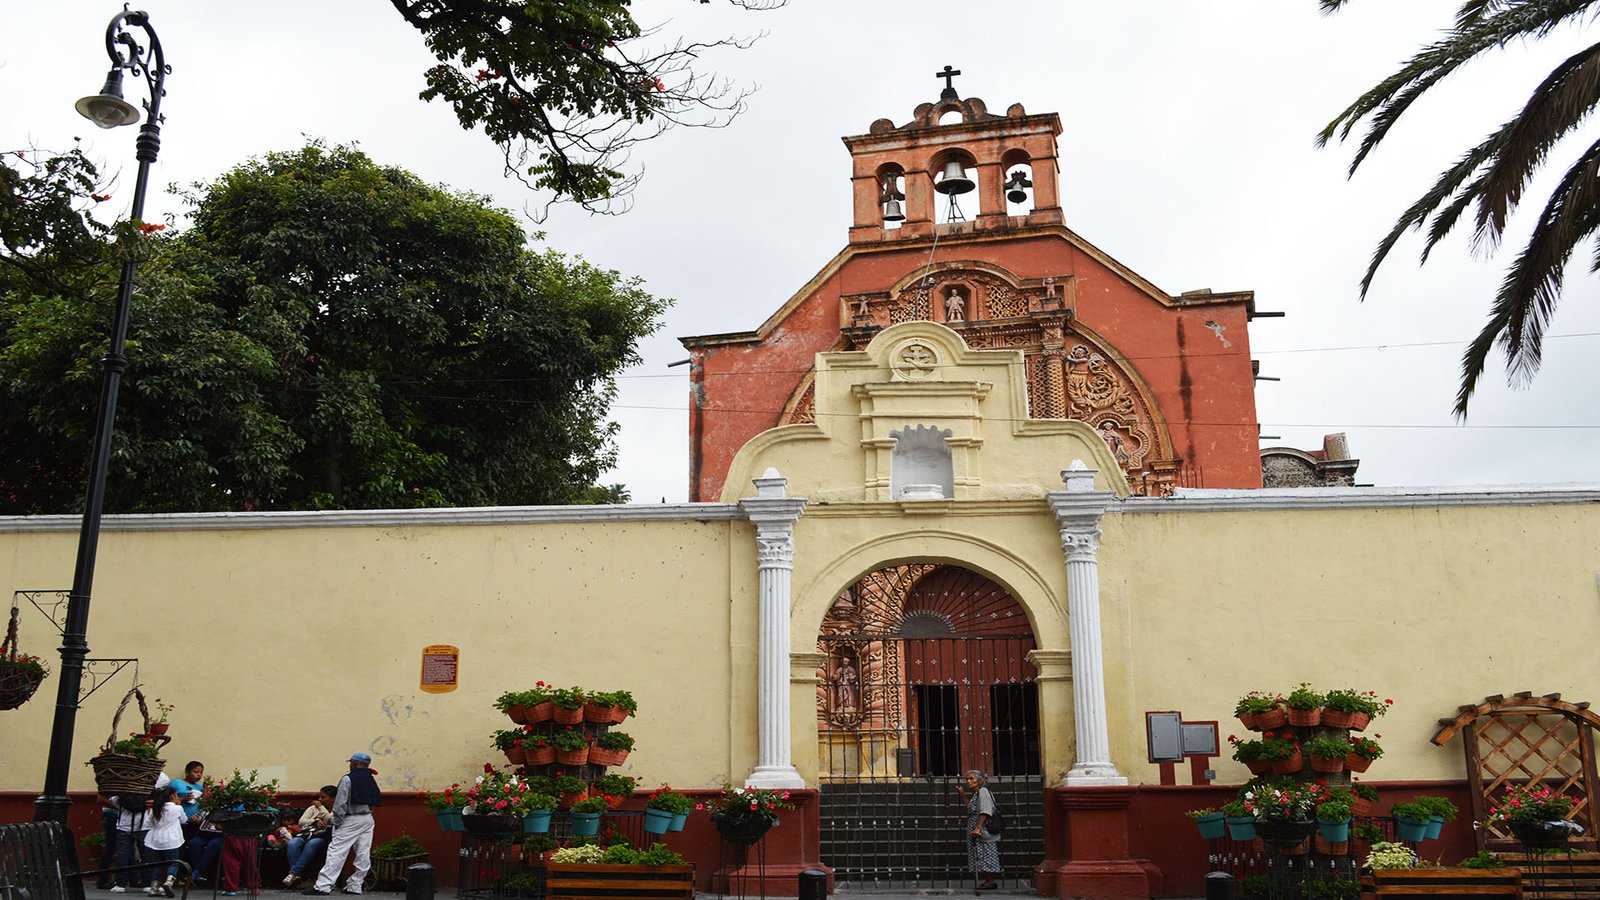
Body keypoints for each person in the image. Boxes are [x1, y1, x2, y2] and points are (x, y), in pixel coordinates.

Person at [304, 752, 381, 896]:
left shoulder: (348, 779)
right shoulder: (370, 778)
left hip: (350, 819)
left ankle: (323, 885)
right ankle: (355, 885)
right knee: (363, 853)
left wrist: (336, 821)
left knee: (336, 852)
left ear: (354, 764)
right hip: (367, 818)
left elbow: (340, 803)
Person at [283, 786, 337, 888]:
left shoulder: (337, 809)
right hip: (306, 834)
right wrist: (314, 821)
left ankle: (293, 873)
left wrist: (321, 808)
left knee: (312, 843)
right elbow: (301, 821)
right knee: (293, 843)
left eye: (323, 797)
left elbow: (330, 819)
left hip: (323, 837)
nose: (320, 799)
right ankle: (296, 877)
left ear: (333, 798)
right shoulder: (313, 808)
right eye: (319, 797)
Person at [956, 769, 1000, 890]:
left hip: (983, 830)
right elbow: (970, 808)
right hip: (978, 830)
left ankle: (991, 882)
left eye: (971, 778)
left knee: (987, 854)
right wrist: (962, 794)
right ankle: (988, 881)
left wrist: (978, 827)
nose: (968, 781)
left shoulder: (983, 792)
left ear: (979, 781)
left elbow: (985, 811)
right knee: (980, 855)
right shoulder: (977, 794)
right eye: (967, 779)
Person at [143, 785, 187, 897]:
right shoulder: (177, 808)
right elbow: (184, 820)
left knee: (158, 864)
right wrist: (178, 805)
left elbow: (148, 823)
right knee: (174, 862)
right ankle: (169, 882)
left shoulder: (157, 808)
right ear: (172, 796)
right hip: (172, 839)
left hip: (157, 840)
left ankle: (154, 887)